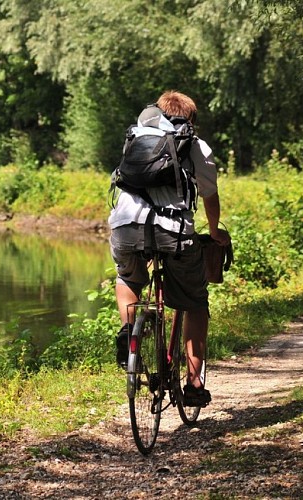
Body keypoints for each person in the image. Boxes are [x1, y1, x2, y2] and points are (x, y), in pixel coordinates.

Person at [108, 90, 230, 406]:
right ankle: (193, 384)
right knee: (194, 302)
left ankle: (129, 332)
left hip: (125, 225)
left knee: (128, 280)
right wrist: (214, 232)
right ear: (189, 119)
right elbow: (209, 195)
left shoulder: (137, 136)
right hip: (174, 232)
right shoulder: (196, 145)